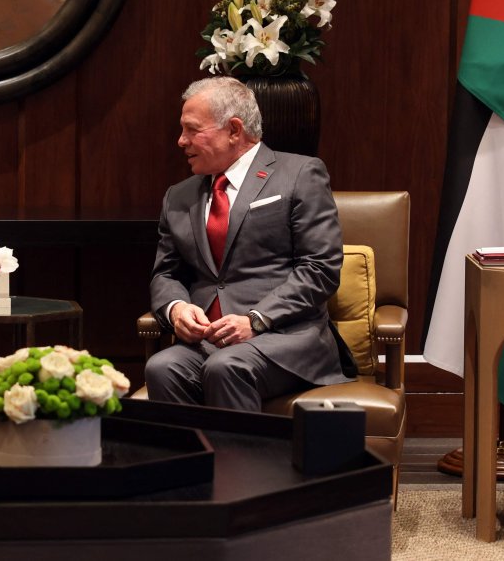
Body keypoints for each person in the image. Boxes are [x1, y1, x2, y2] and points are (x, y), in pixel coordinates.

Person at [144, 76, 354, 411]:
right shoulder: (178, 196)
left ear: (234, 130)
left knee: (227, 367)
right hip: (209, 339)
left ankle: (242, 465)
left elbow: (320, 267)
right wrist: (176, 308)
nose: (181, 141)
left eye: (192, 129)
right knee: (162, 367)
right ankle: (188, 465)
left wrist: (256, 319)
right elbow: (165, 274)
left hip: (285, 336)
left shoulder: (300, 174)